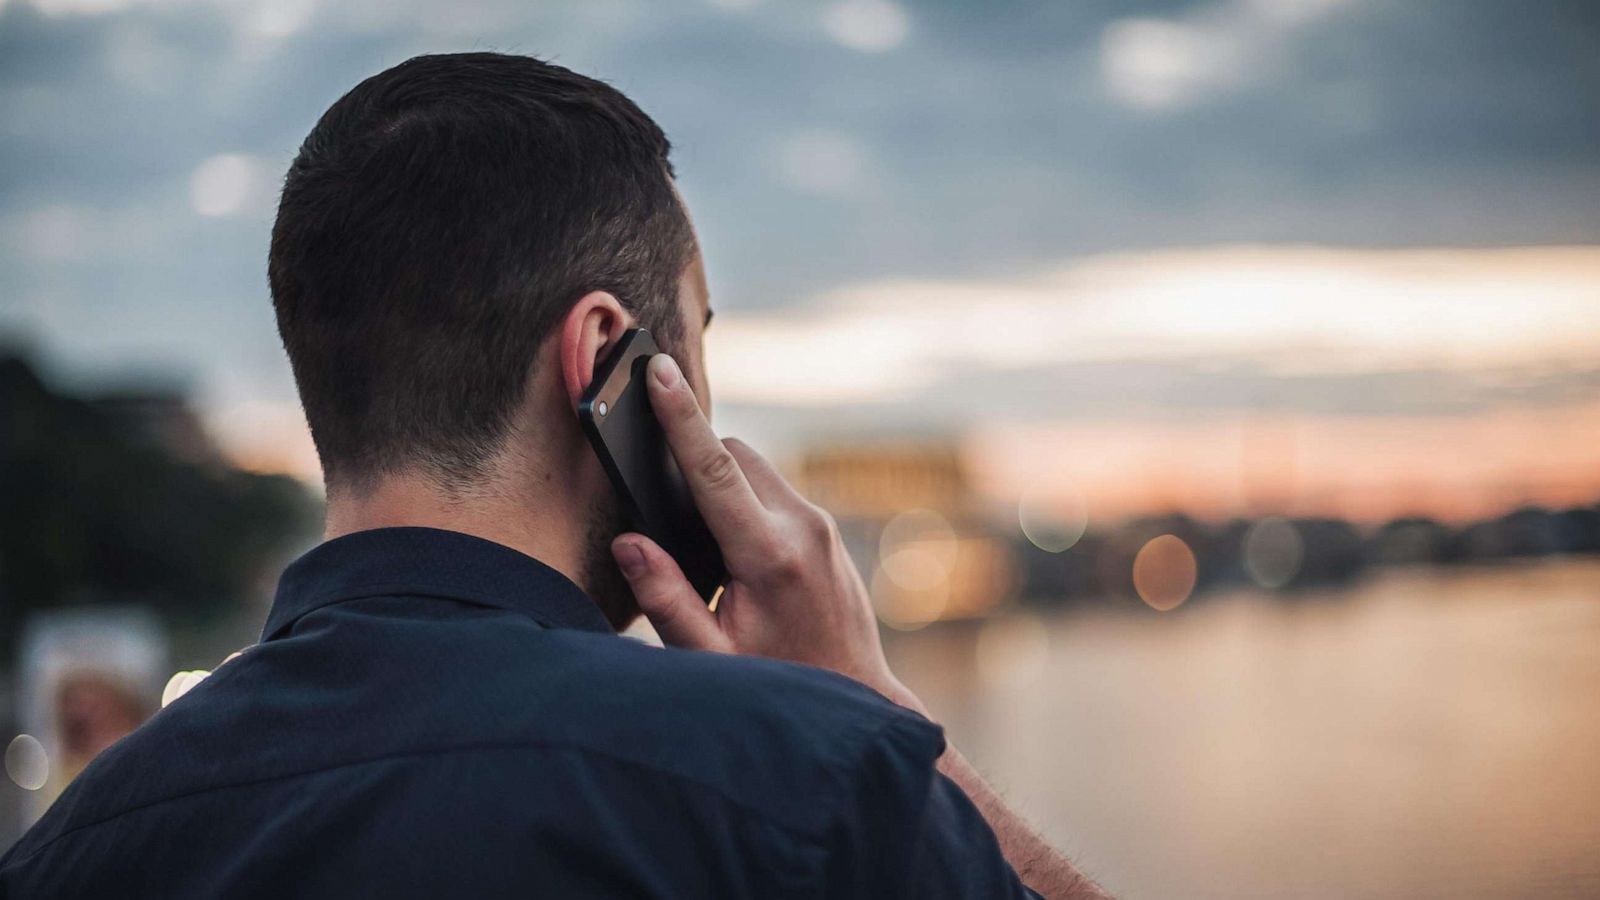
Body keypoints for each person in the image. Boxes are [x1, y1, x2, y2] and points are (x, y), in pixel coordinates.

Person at [0, 53, 1110, 899]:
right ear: (602, 360)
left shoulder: (71, 849)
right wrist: (875, 714)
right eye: (699, 344)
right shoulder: (801, 782)